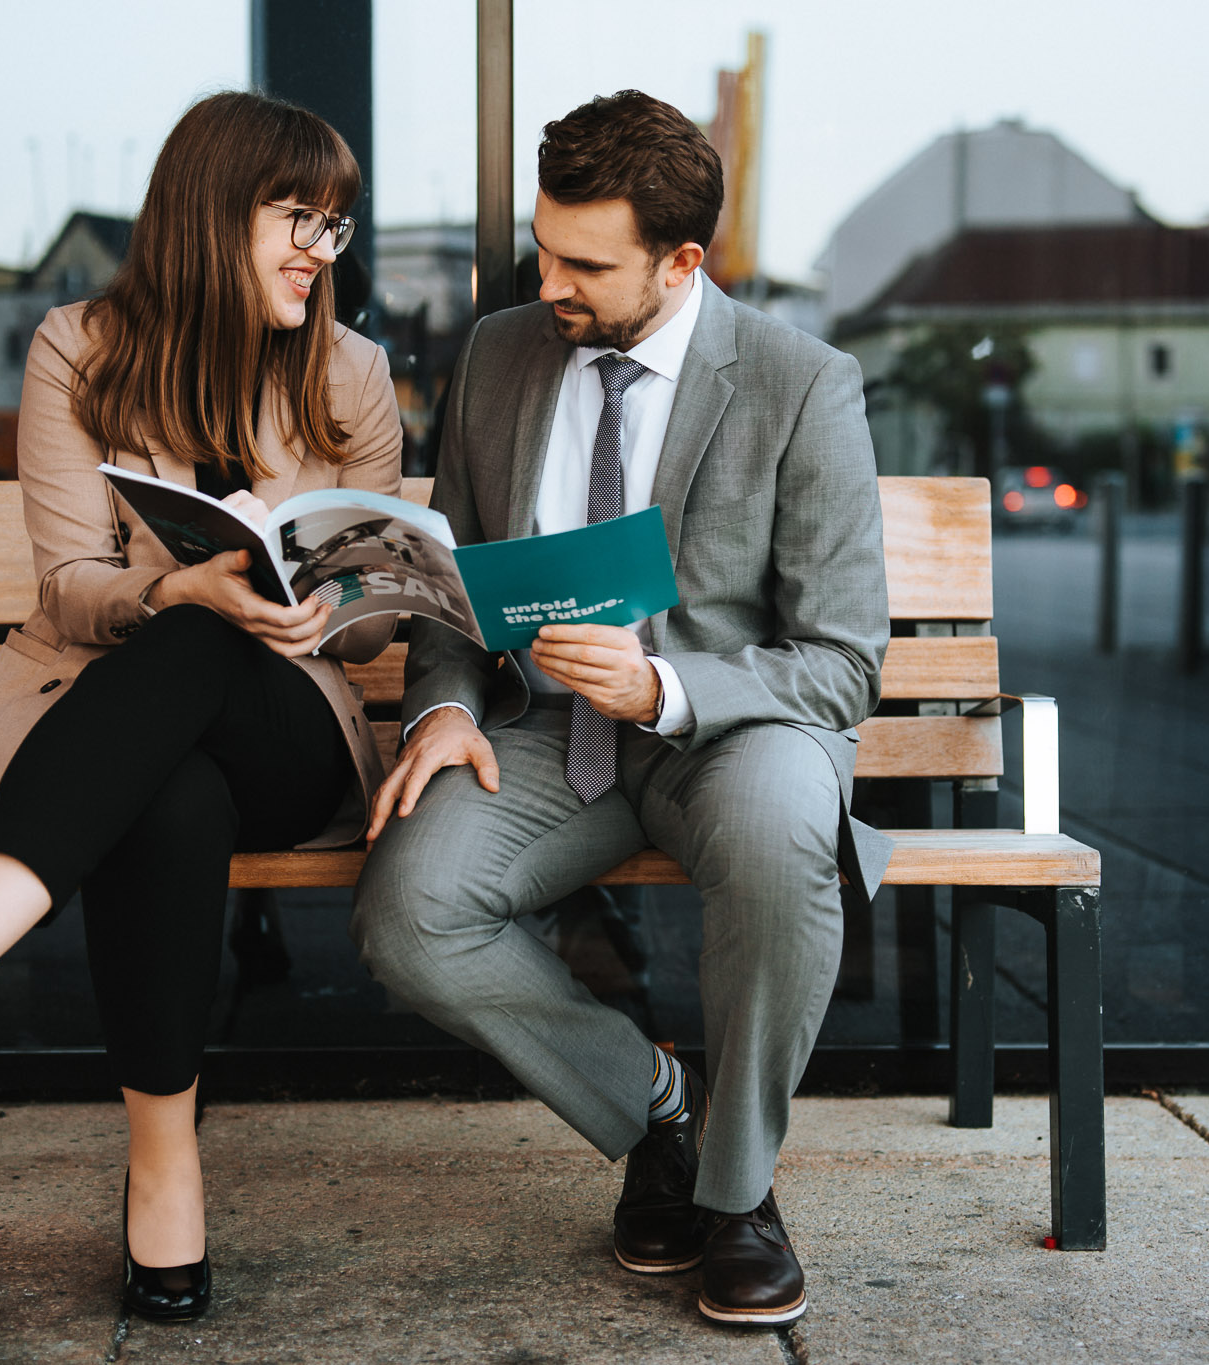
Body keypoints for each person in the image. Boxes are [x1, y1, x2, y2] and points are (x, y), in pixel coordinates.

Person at [0, 90, 401, 1323]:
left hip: (289, 733)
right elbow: (70, 588)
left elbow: (379, 618)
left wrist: (320, 605)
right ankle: (164, 1171)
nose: (318, 251)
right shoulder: (81, 347)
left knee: (205, 644)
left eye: (333, 226)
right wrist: (182, 586)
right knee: (169, 787)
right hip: (131, 728)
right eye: (296, 217)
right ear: (210, 211)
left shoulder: (352, 370)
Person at [353, 89, 891, 1327]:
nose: (551, 283)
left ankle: (735, 1195)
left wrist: (664, 687)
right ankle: (655, 1107)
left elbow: (840, 663)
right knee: (407, 913)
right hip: (546, 735)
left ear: (680, 261)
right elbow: (450, 587)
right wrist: (442, 711)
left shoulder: (801, 383)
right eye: (543, 249)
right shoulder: (500, 355)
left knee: (779, 841)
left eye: (586, 266)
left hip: (731, 733)